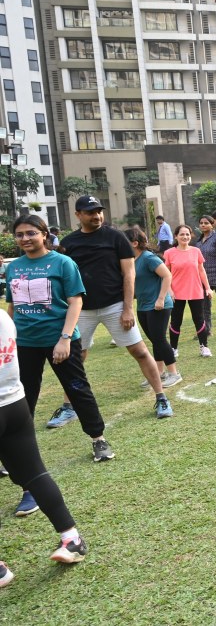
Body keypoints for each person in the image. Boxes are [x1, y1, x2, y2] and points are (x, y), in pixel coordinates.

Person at [6, 215, 115, 518]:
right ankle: (17, 459)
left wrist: (65, 338)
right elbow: (13, 306)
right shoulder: (13, 267)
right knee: (23, 400)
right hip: (25, 343)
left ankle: (98, 439)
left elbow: (75, 301)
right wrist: (9, 339)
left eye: (31, 233)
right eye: (19, 234)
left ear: (44, 234)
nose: (25, 239)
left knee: (77, 389)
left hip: (61, 339)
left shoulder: (62, 263)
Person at [46, 196, 167, 429]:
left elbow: (129, 274)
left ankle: (161, 398)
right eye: (90, 212)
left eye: (99, 211)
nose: (97, 215)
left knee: (140, 351)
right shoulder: (69, 243)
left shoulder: (116, 237)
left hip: (115, 306)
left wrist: (127, 308)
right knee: (75, 358)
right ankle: (69, 407)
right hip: (82, 309)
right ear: (78, 215)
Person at [0, 307, 89, 586]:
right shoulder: (3, 317)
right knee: (36, 474)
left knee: (35, 474)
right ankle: (72, 539)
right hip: (14, 404)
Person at [125, 228, 179, 416]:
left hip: (159, 305)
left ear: (134, 243)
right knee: (154, 340)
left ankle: (174, 373)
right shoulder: (132, 260)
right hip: (143, 306)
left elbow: (167, 275)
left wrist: (161, 298)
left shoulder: (148, 258)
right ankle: (159, 373)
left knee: (159, 339)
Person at [163, 224, 213, 358]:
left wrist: (208, 288)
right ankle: (173, 348)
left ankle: (204, 347)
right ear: (176, 236)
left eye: (187, 234)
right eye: (182, 234)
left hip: (195, 290)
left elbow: (201, 270)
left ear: (191, 236)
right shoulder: (169, 253)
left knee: (199, 319)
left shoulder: (196, 251)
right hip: (176, 293)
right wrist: (169, 291)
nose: (185, 237)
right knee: (176, 321)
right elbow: (166, 274)